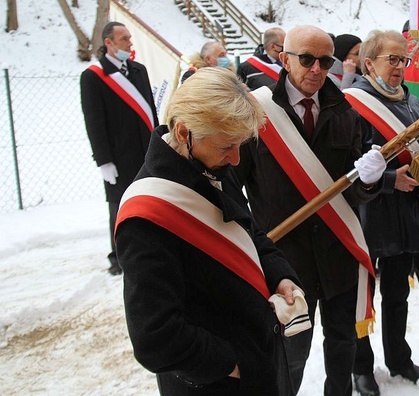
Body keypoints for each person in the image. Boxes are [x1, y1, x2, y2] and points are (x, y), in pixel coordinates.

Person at [116, 68, 304, 394]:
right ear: (184, 131)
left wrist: (280, 275)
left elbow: (249, 232)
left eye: (241, 144)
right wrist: (234, 364)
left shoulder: (207, 160)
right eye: (227, 146)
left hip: (258, 361)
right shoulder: (146, 213)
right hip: (216, 382)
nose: (235, 158)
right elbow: (155, 336)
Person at [235, 25, 387, 396]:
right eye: (306, 59)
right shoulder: (256, 113)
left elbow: (352, 193)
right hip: (286, 261)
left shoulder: (345, 112)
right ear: (284, 59)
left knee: (342, 346)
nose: (316, 69)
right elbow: (233, 189)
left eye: (325, 60)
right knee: (290, 355)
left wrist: (369, 181)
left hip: (338, 254)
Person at [347, 30, 419, 396]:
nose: (400, 67)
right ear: (369, 63)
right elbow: (343, 169)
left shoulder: (412, 103)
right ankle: (360, 367)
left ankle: (399, 359)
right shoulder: (350, 104)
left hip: (406, 215)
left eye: (404, 60)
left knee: (397, 294)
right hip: (367, 215)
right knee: (359, 298)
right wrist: (388, 180)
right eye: (392, 60)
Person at [80, 21, 158, 276]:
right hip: (118, 155)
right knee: (120, 206)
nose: (130, 43)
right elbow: (94, 121)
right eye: (124, 39)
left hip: (146, 150)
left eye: (129, 38)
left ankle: (150, 246)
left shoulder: (139, 70)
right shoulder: (93, 76)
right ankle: (118, 255)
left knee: (149, 200)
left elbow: (151, 112)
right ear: (109, 43)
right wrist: (103, 160)